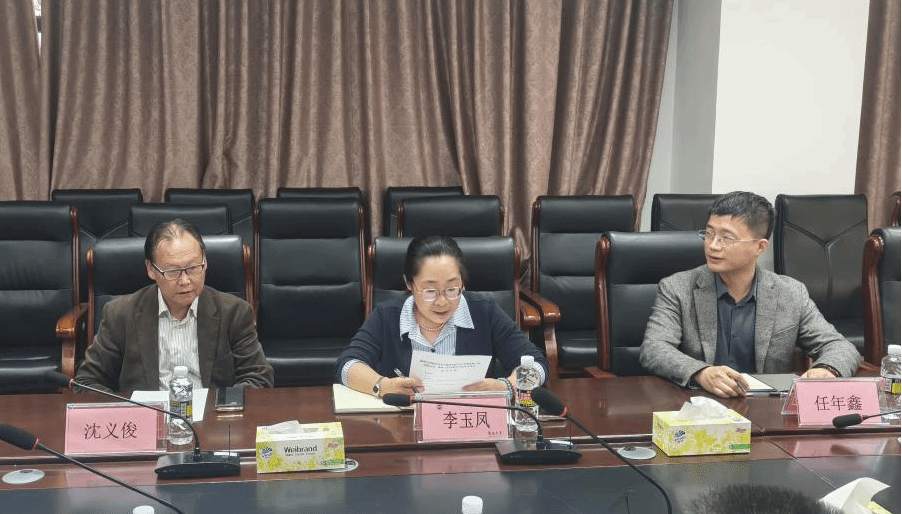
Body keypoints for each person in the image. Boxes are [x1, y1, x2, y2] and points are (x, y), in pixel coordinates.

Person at [639, 191, 861, 398]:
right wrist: (701, 372)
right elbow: (654, 349)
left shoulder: (791, 293)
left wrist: (827, 369)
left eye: (727, 238)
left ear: (760, 247)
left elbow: (840, 347)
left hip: (765, 409)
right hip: (701, 405)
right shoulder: (678, 288)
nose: (713, 245)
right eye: (709, 233)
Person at [335, 234, 548, 397]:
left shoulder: (484, 312)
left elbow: (537, 365)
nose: (442, 302)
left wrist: (507, 386)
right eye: (430, 291)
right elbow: (347, 365)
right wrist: (382, 386)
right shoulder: (387, 316)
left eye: (452, 289)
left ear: (463, 282)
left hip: (469, 425)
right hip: (404, 427)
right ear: (409, 283)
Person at [76, 219, 273, 392]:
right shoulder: (120, 314)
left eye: (193, 268)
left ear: (205, 262)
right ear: (151, 270)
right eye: (173, 271)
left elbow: (258, 377)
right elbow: (87, 382)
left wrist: (220, 406)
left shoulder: (234, 312)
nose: (185, 281)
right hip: (148, 417)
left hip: (211, 416)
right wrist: (129, 412)